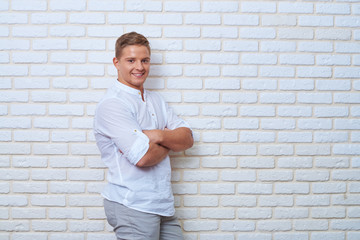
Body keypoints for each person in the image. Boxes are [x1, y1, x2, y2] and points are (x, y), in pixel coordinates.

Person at [93, 32, 194, 240]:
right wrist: (170, 138)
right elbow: (143, 158)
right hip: (132, 204)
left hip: (162, 204)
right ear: (116, 62)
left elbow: (187, 139)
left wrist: (156, 135)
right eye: (131, 60)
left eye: (144, 60)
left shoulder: (156, 100)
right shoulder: (113, 104)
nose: (139, 67)